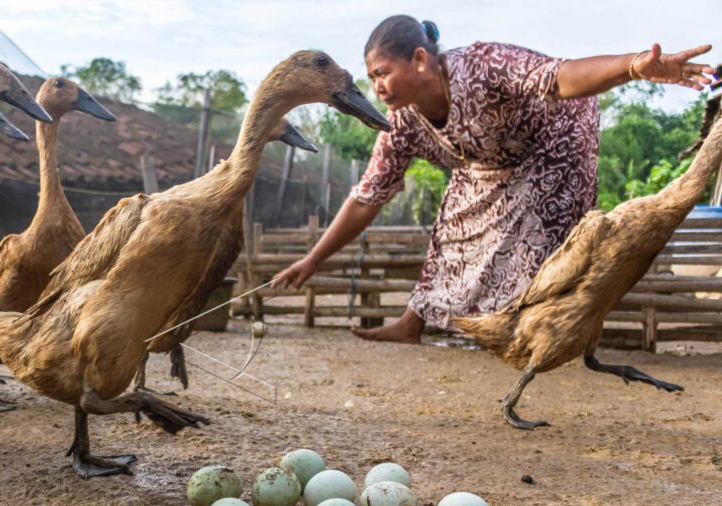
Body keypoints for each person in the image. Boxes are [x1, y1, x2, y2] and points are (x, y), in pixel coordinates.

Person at [273, 16, 717, 344]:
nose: (378, 87)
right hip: (489, 160)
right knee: (453, 222)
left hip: (556, 139)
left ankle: (535, 337)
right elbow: (368, 196)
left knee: (538, 238)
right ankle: (412, 324)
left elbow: (559, 77)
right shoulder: (400, 122)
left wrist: (634, 66)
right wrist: (314, 259)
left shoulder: (483, 65)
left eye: (383, 73)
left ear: (420, 60)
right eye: (372, 78)